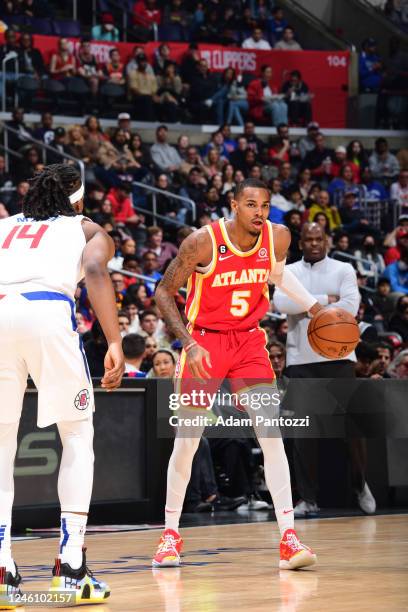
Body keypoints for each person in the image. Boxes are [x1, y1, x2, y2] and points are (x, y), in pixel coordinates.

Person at [152, 178, 322, 570]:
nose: (259, 212)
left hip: (248, 342)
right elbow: (163, 292)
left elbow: (277, 276)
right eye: (250, 205)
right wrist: (186, 342)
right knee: (188, 438)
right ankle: (169, 535)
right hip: (204, 344)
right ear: (234, 205)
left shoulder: (277, 238)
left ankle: (288, 538)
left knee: (271, 430)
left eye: (263, 205)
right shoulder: (202, 242)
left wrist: (313, 307)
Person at [0, 164, 124, 603]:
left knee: (1, 444)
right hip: (46, 313)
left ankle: (2, 568)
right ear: (78, 198)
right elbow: (93, 271)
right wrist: (114, 341)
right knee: (77, 434)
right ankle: (71, 566)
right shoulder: (84, 227)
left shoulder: (6, 225)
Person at [273, 222, 376, 517]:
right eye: (309, 239)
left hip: (341, 357)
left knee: (350, 430)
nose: (314, 244)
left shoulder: (343, 269)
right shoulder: (288, 269)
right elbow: (280, 302)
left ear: (326, 241)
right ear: (301, 242)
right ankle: (308, 497)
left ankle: (359, 485)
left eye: (319, 239)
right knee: (305, 434)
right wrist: (325, 300)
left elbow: (350, 307)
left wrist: (305, 302)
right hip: (301, 361)